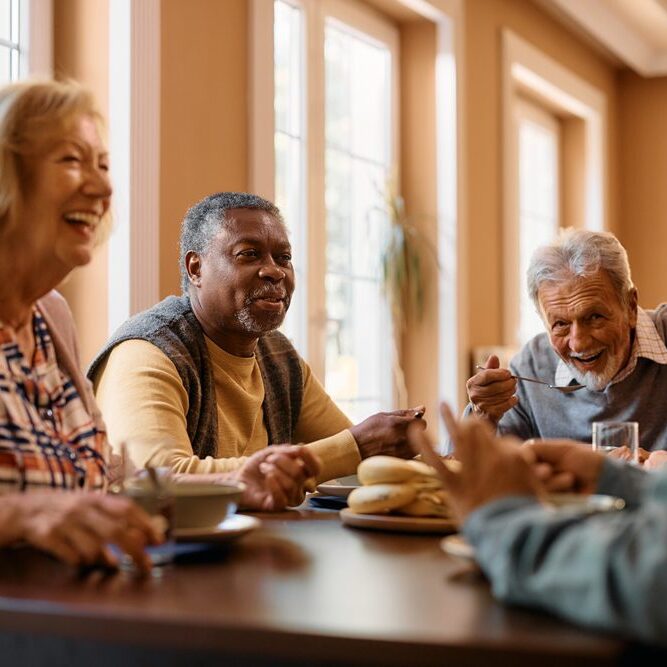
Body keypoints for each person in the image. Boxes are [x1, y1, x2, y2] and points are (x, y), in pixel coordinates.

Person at [0, 81, 319, 570]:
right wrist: (21, 516)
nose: (103, 187)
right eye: (71, 160)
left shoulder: (51, 317)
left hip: (78, 611)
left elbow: (114, 481)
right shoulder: (151, 344)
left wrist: (235, 484)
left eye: (103, 165)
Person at [89, 192, 425, 481]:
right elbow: (158, 478)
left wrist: (476, 416)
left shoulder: (277, 357)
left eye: (284, 258)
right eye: (249, 254)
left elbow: (358, 464)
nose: (275, 271)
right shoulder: (148, 351)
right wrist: (355, 447)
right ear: (196, 269)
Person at [409, 404, 667, 645]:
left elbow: (649, 579)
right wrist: (620, 481)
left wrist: (502, 520)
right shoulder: (528, 368)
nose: (576, 351)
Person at [465, 229, 667, 449]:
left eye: (594, 317)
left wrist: (656, 470)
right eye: (561, 324)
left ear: (630, 306)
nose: (578, 343)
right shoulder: (530, 367)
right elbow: (471, 473)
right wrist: (482, 418)